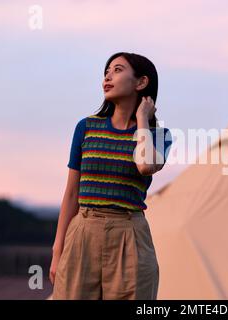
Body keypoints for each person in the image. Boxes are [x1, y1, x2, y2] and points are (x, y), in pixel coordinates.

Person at [49, 52, 172, 300]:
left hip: (130, 234)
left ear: (141, 82)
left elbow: (145, 165)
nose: (107, 76)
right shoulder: (86, 127)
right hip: (83, 230)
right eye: (106, 71)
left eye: (117, 70)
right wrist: (57, 248)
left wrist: (141, 119)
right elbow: (72, 192)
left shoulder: (160, 135)